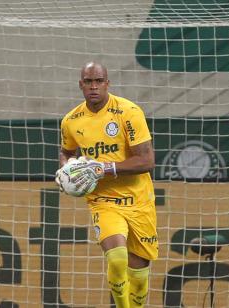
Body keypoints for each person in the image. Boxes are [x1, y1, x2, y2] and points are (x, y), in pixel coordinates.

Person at [56, 62, 157, 307]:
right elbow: (66, 151)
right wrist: (65, 171)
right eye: (88, 81)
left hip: (139, 201)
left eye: (98, 81)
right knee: (117, 259)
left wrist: (105, 168)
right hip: (103, 201)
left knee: (139, 278)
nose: (94, 86)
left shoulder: (128, 112)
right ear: (81, 85)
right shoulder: (71, 120)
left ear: (107, 84)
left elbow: (147, 160)